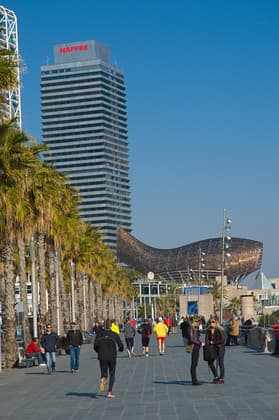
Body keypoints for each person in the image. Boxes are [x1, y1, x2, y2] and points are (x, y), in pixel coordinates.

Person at [94, 319, 124, 398]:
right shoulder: (114, 334)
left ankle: (103, 378)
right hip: (112, 356)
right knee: (112, 373)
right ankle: (109, 392)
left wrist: (99, 351)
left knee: (104, 371)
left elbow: (95, 346)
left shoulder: (99, 334)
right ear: (111, 326)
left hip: (102, 356)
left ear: (104, 326)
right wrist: (120, 349)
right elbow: (121, 345)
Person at [205, 318, 226, 384]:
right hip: (212, 349)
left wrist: (213, 342)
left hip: (220, 348)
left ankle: (221, 378)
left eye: (213, 322)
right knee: (210, 362)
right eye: (210, 322)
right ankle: (216, 376)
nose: (211, 323)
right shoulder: (208, 331)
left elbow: (222, 340)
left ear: (216, 323)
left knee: (220, 362)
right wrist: (206, 345)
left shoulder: (220, 330)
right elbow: (207, 340)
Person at [189, 318, 203, 386]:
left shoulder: (194, 328)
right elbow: (192, 339)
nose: (198, 323)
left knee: (195, 364)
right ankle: (194, 380)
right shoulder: (191, 328)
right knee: (194, 364)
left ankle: (194, 379)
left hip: (197, 347)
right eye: (197, 322)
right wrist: (200, 343)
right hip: (194, 347)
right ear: (193, 322)